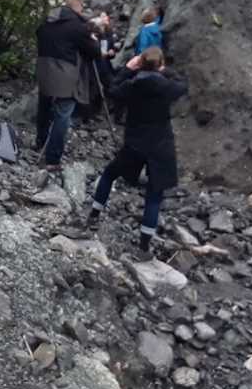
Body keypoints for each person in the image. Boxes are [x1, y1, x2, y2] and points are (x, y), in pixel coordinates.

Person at [79, 47, 188, 260]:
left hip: (135, 143)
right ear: (160, 65)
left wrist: (128, 69)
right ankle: (144, 247)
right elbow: (184, 85)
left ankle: (93, 215)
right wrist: (166, 71)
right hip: (160, 145)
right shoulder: (167, 87)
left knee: (109, 174)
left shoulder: (133, 85)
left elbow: (112, 88)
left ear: (141, 64)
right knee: (154, 195)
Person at [35, 0, 102, 170]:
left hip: (44, 70)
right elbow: (94, 52)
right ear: (77, 10)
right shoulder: (77, 27)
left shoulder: (46, 21)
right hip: (65, 74)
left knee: (44, 106)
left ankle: (40, 141)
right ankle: (52, 158)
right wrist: (93, 39)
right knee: (63, 115)